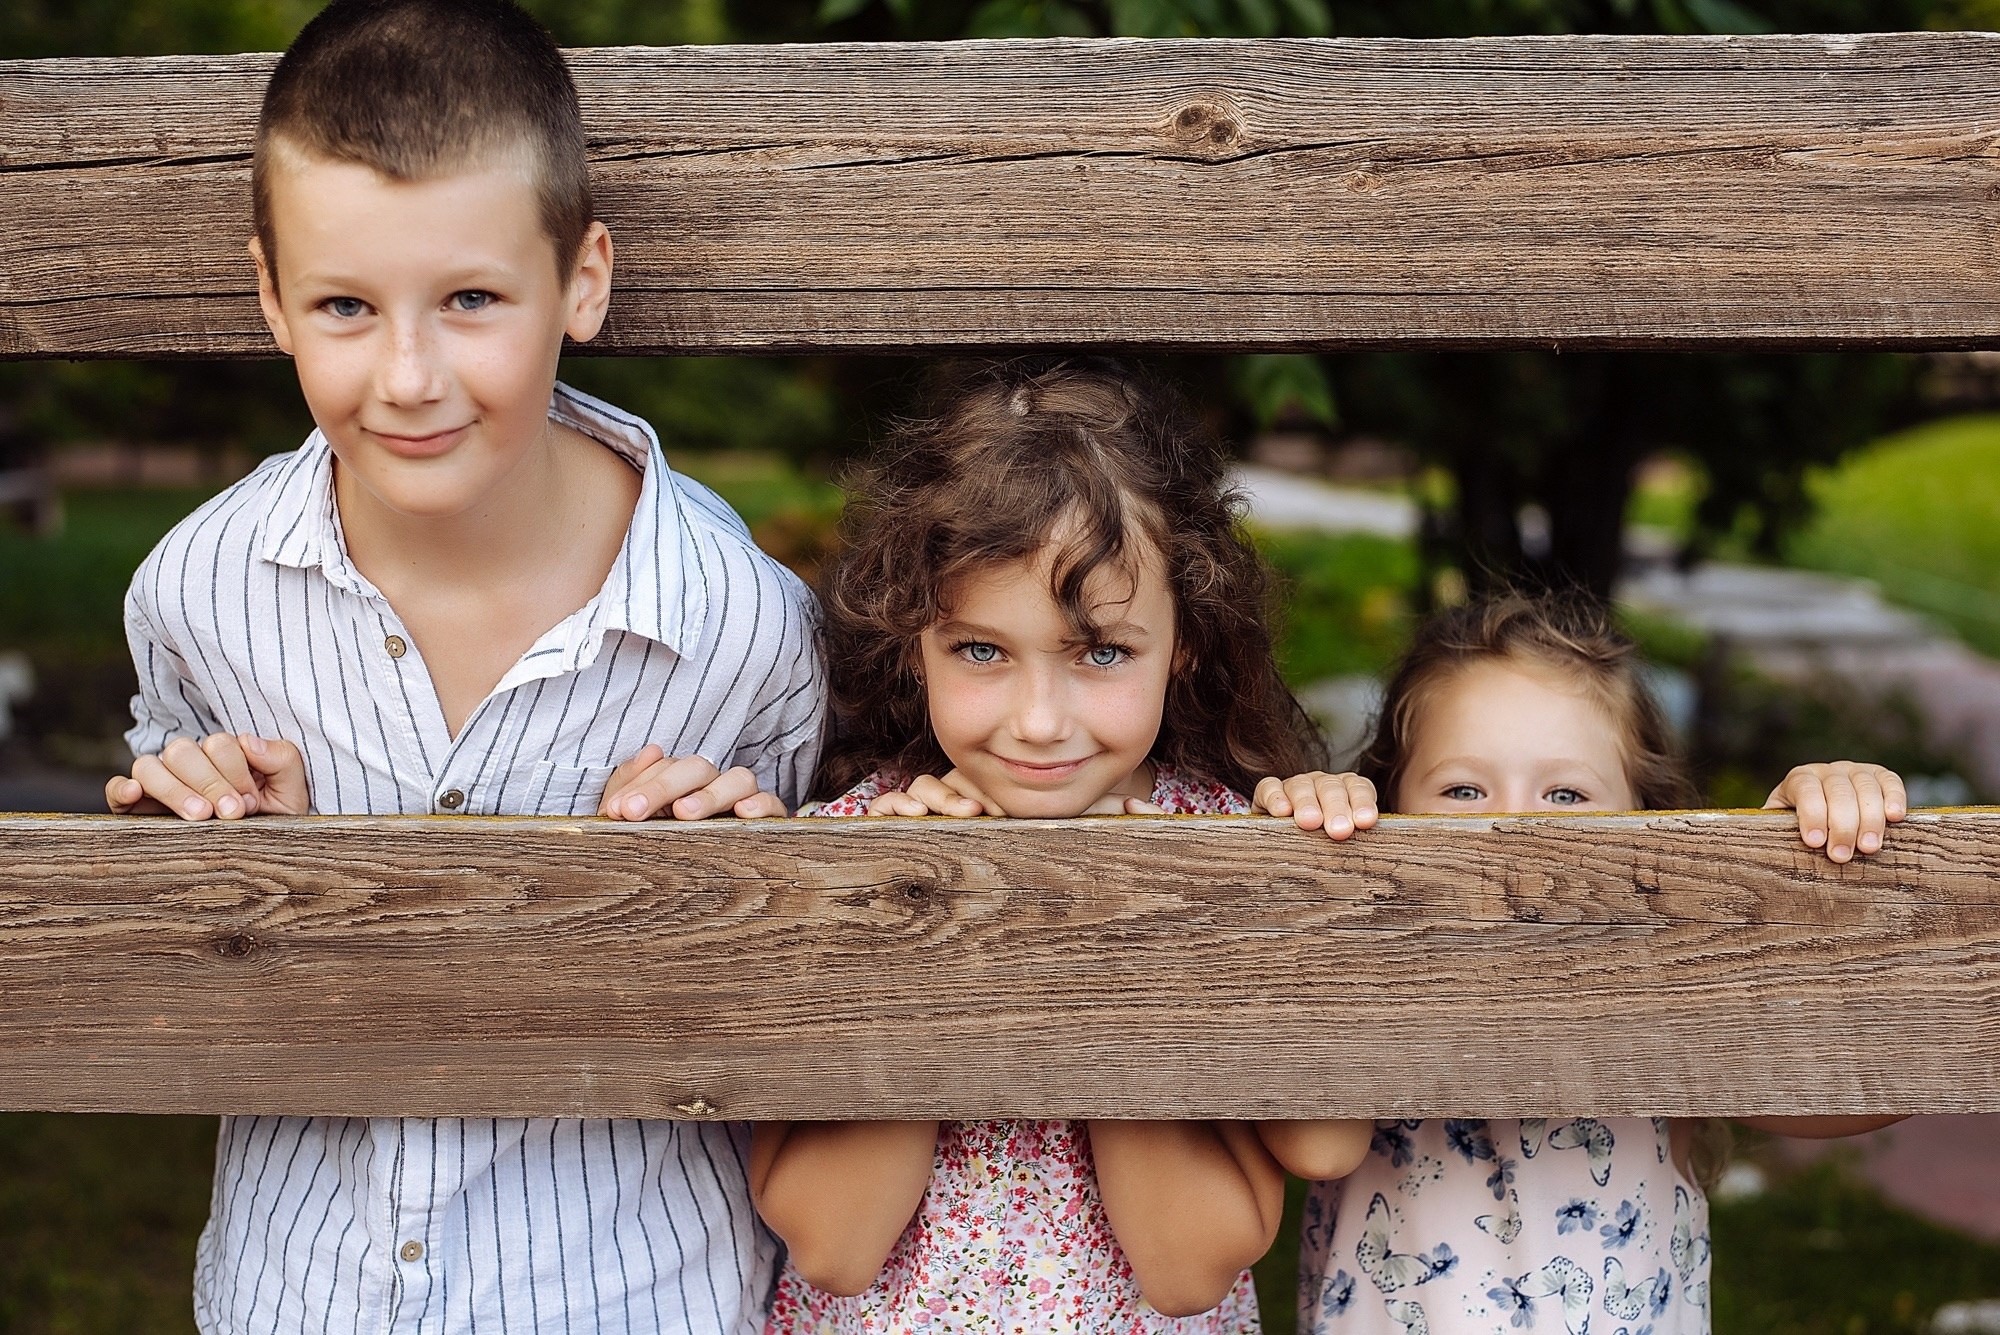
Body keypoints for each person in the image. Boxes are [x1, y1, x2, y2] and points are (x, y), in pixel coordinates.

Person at [103, 2, 821, 1330]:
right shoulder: (198, 589)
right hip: (294, 1290)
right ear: (272, 298)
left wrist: (754, 868)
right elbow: (173, 925)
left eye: (473, 300)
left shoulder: (738, 623)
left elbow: (793, 973)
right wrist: (186, 831)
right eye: (345, 306)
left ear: (583, 281)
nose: (410, 374)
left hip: (631, 1293)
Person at [754, 356, 1379, 1333]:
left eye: (1099, 653)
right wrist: (932, 943)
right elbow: (833, 1248)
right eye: (979, 650)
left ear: (1186, 643)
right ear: (910, 644)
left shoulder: (1235, 858)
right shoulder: (854, 853)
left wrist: (1107, 950)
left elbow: (1184, 1271)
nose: (1039, 722)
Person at [1261, 593, 1907, 1335]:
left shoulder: (1665, 991)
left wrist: (1795, 845)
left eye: (1565, 792)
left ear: (1645, 818)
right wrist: (1321, 856)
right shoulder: (1371, 993)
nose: (1515, 824)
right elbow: (1313, 1142)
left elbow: (1862, 1087)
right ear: (1391, 802)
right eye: (1463, 789)